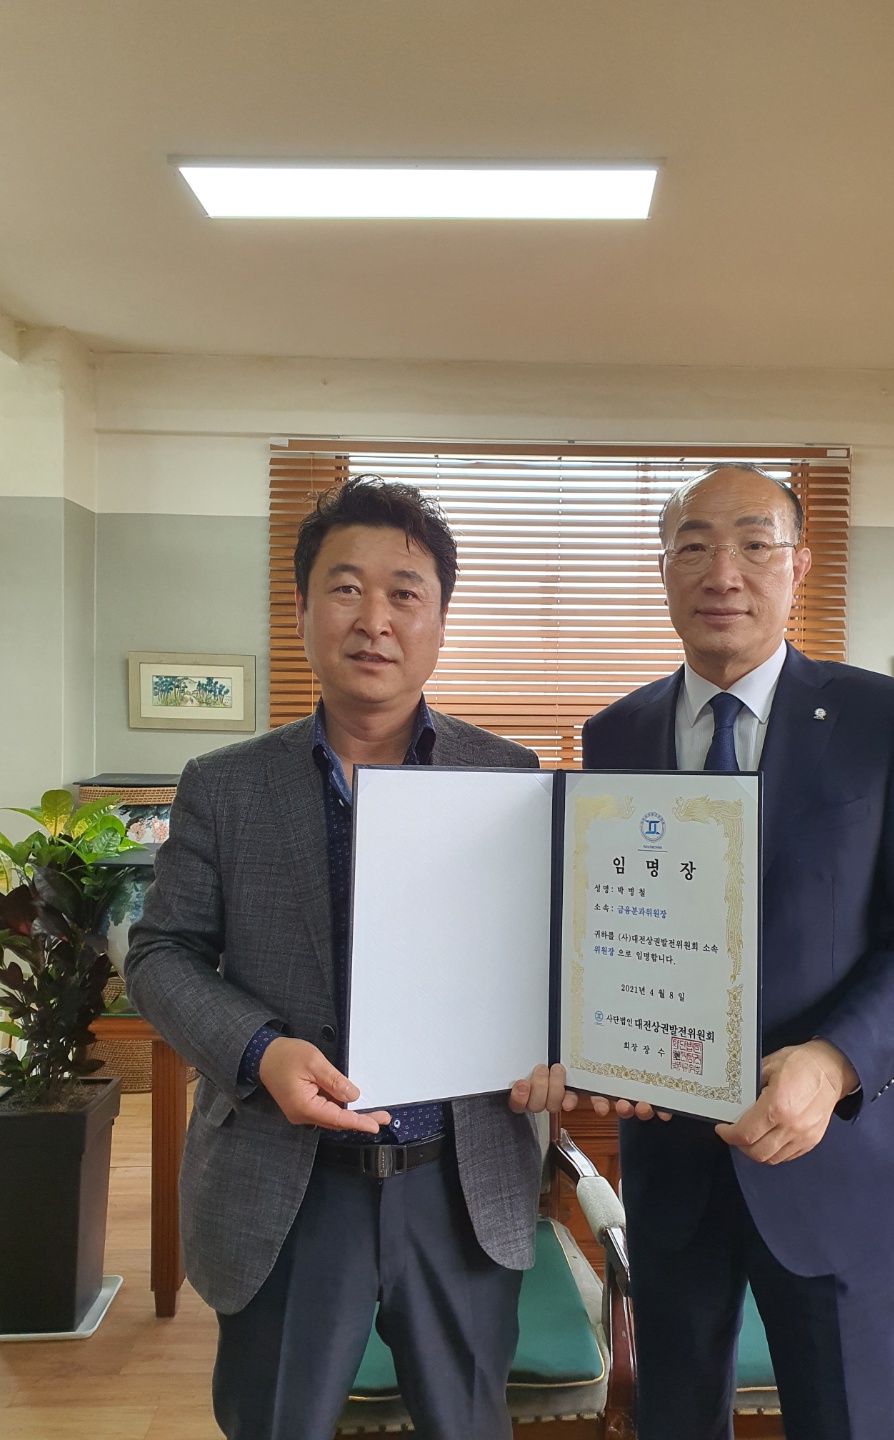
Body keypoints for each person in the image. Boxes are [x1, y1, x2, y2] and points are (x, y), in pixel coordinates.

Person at [125, 477, 569, 1440]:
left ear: (440, 621)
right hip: (287, 1183)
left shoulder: (508, 777)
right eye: (345, 589)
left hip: (460, 1182)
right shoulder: (225, 786)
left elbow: (545, 958)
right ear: (301, 610)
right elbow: (159, 954)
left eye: (405, 593)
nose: (375, 620)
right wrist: (258, 1050)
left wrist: (556, 1047)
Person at [580, 464, 894, 1440]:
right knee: (674, 1419)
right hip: (673, 1164)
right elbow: (604, 924)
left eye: (755, 544)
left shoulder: (884, 720)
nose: (724, 571)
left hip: (835, 1160)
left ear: (797, 566)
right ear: (664, 570)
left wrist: (831, 1063)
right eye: (694, 546)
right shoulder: (616, 732)